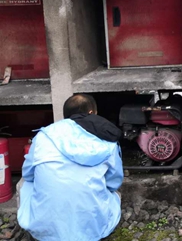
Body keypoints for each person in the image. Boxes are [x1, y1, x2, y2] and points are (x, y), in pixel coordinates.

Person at [18, 94, 123, 241]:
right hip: (93, 231)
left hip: (45, 232)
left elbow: (28, 174)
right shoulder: (106, 137)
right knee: (114, 193)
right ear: (91, 113)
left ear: (66, 115)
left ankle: (38, 228)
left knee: (25, 183)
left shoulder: (44, 135)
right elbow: (113, 183)